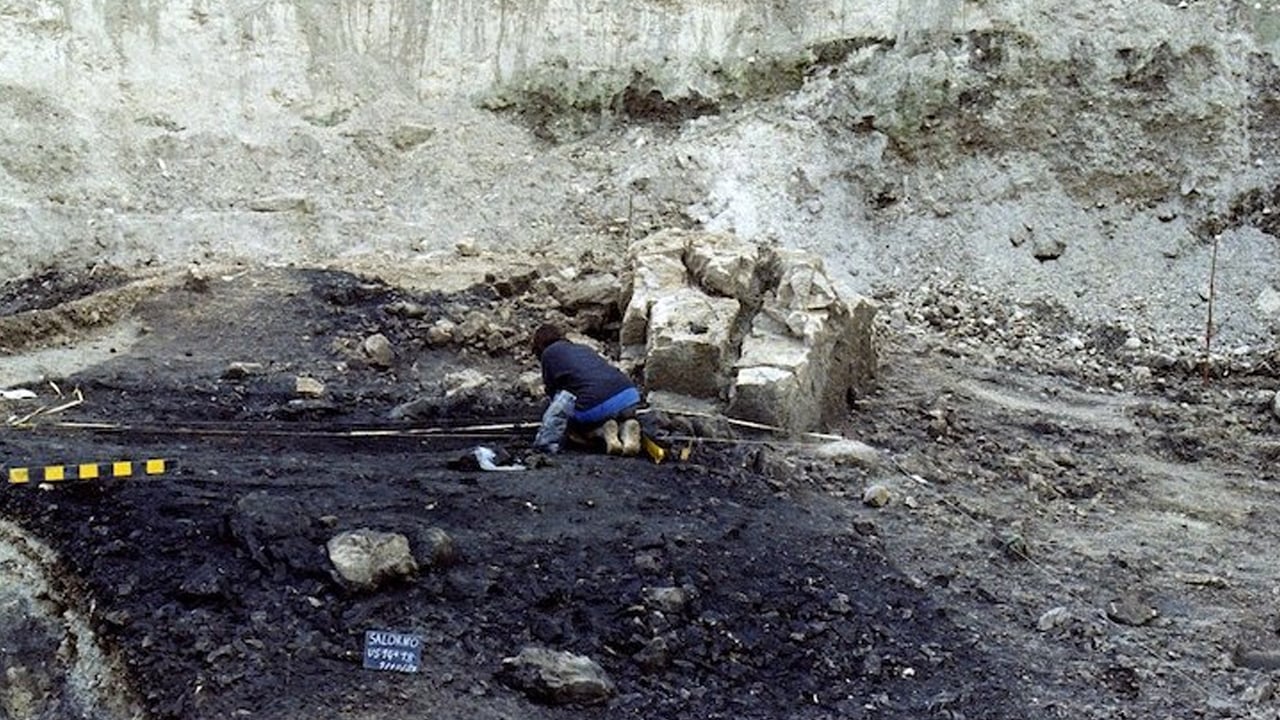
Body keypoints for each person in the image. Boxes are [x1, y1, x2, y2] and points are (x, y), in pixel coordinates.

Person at [530, 323, 642, 456]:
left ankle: (601, 432)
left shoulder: (548, 354)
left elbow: (553, 392)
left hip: (596, 405)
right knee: (602, 405)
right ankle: (626, 427)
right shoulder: (583, 348)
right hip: (629, 395)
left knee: (570, 414)